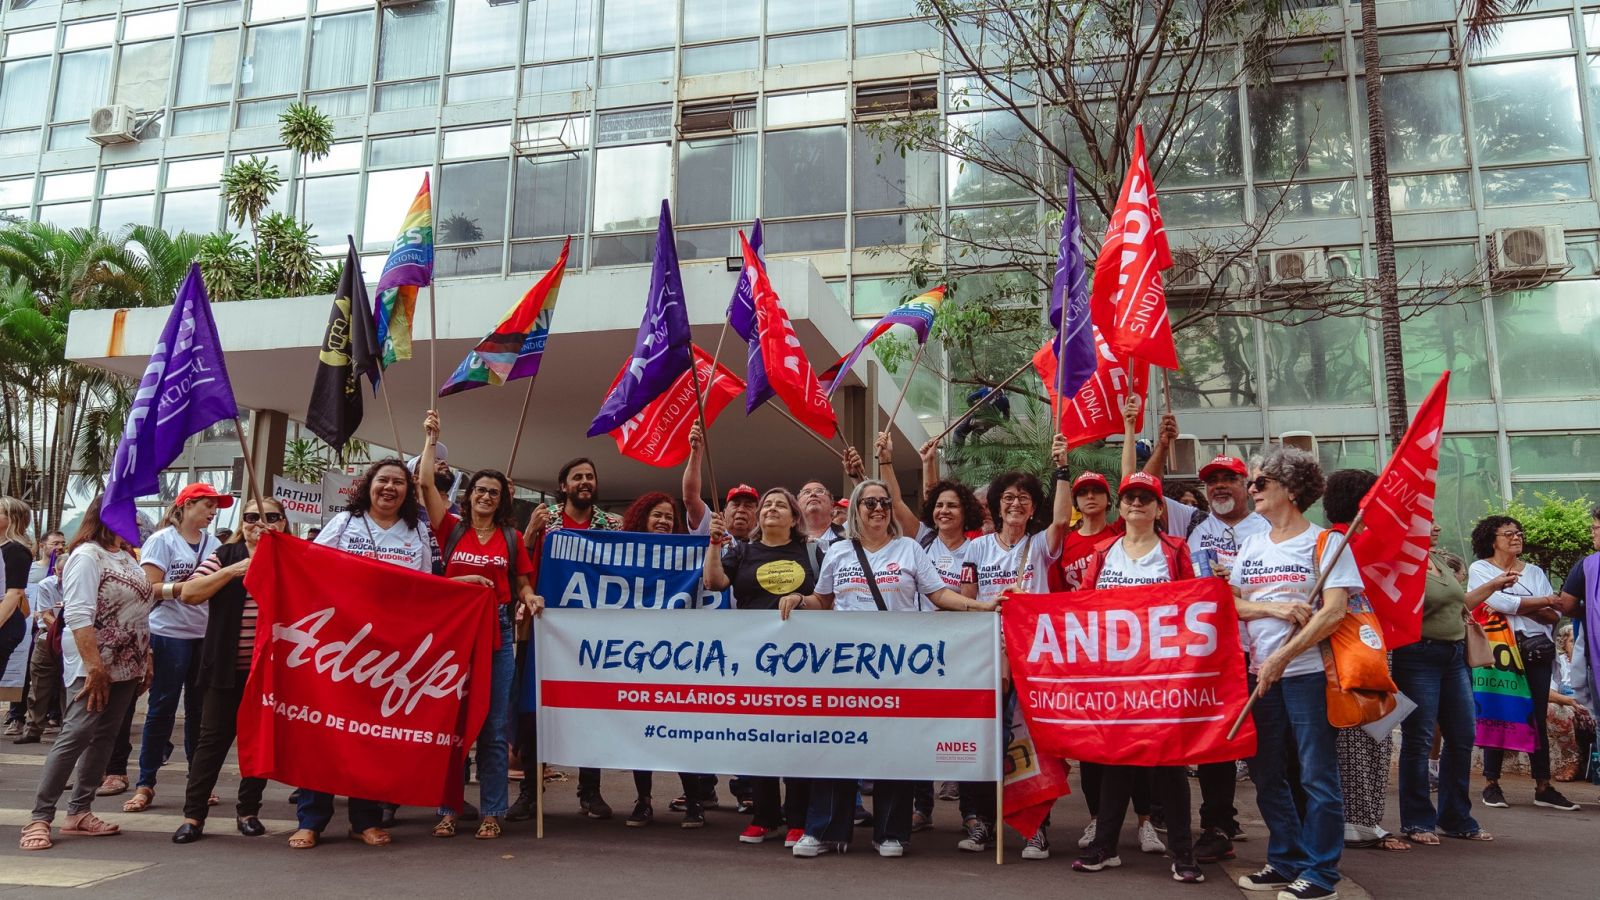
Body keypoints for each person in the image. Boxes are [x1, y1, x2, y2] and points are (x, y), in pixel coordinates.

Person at [779, 478, 988, 859]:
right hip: (844, 668)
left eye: (885, 503)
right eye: (870, 503)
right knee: (836, 746)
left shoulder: (909, 549)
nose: (878, 509)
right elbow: (823, 600)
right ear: (856, 510)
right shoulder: (839, 551)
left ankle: (891, 832)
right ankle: (824, 830)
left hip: (897, 668)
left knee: (895, 747)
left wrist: (982, 608)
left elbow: (939, 594)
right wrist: (799, 599)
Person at [1231, 448, 1359, 900]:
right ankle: (1285, 858)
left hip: (1308, 674)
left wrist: (1283, 657)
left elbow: (1335, 612)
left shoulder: (1326, 542)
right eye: (1252, 482)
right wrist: (1274, 608)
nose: (1252, 489)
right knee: (1266, 773)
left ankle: (1321, 874)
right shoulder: (1252, 543)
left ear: (1290, 488)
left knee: (1316, 776)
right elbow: (1232, 602)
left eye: (1261, 482)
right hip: (1259, 674)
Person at [1070, 471, 1203, 883]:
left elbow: (1195, 603)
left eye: (1146, 498)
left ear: (1159, 508)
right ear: (1121, 507)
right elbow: (1084, 606)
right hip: (1117, 678)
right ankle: (1104, 846)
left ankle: (1183, 852)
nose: (1137, 504)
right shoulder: (1104, 551)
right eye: (1130, 498)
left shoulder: (1176, 550)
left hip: (1165, 677)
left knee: (1169, 764)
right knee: (1117, 761)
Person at [294, 458, 434, 848]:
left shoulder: (417, 531)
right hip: (337, 645)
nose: (390, 488)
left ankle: (364, 820)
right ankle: (311, 819)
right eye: (382, 480)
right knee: (325, 731)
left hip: (386, 653)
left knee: (372, 736)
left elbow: (426, 589)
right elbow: (310, 567)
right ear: (368, 485)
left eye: (398, 483)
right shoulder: (344, 523)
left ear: (408, 492)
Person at [419, 411, 541, 841]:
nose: (486, 496)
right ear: (468, 496)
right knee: (453, 725)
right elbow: (425, 484)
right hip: (454, 637)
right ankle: (448, 810)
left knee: (492, 727)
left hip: (498, 634)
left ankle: (492, 811)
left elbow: (522, 583)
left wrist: (530, 597)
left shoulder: (510, 537)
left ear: (501, 500)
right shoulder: (450, 528)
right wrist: (431, 439)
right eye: (480, 490)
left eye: (494, 492)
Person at [956, 434, 1073, 859]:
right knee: (984, 740)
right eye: (1008, 497)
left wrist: (1062, 470)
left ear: (1034, 507)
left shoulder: (1040, 545)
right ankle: (982, 822)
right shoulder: (975, 548)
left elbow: (1062, 520)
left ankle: (1036, 827)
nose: (1016, 504)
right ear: (995, 505)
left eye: (1024, 498)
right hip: (987, 657)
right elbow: (966, 601)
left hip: (1033, 659)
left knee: (1031, 742)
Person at [18, 496, 154, 851]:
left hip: (128, 663)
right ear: (109, 517)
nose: (138, 522)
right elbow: (78, 615)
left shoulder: (126, 557)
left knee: (105, 736)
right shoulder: (87, 556)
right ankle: (40, 816)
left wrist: (146, 657)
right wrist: (94, 667)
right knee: (76, 734)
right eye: (131, 515)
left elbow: (141, 611)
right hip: (95, 664)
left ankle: (79, 810)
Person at [704, 487, 820, 846]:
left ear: (794, 517)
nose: (771, 509)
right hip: (753, 660)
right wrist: (714, 544)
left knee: (797, 739)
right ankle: (765, 817)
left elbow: (826, 599)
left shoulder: (813, 552)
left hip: (801, 661)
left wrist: (801, 599)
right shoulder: (742, 552)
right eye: (767, 504)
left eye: (780, 505)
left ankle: (798, 819)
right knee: (760, 737)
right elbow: (713, 583)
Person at [169, 498, 288, 844]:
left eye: (270, 517)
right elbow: (189, 593)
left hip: (269, 672)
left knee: (259, 741)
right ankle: (193, 816)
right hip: (224, 666)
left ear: (282, 522)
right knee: (211, 741)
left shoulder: (291, 557)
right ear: (242, 521)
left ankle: (248, 811)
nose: (259, 522)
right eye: (251, 516)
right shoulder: (225, 554)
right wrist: (234, 570)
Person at [1390, 512, 1511, 845]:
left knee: (1462, 736)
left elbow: (1458, 606)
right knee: (1419, 739)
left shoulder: (1438, 562)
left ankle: (1456, 818)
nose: (1437, 526)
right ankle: (1417, 821)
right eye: (1428, 521)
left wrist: (1492, 586)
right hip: (1418, 656)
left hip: (1454, 656)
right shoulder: (1401, 565)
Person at [517, 457, 621, 821]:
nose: (585, 482)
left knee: (592, 709)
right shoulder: (545, 520)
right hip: (544, 628)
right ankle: (530, 791)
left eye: (590, 476)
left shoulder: (612, 525)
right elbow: (520, 564)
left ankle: (590, 790)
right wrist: (530, 533)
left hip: (593, 634)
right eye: (577, 477)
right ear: (563, 485)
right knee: (533, 711)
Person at [1182, 451, 1270, 862]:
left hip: (1264, 652)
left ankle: (1291, 835)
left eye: (1228, 478)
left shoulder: (1268, 527)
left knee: (1269, 747)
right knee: (1216, 745)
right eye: (1212, 480)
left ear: (1246, 487)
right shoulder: (1197, 530)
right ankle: (1217, 825)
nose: (1219, 486)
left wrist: (1233, 582)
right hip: (1215, 655)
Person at [124, 483, 231, 814]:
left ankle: (198, 781)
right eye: (207, 505)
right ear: (185, 505)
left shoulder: (215, 544)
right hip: (169, 634)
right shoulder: (163, 540)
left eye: (215, 507)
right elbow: (149, 588)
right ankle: (145, 782)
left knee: (200, 712)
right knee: (162, 708)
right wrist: (185, 589)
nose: (212, 512)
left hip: (204, 635)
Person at [1317, 470, 1407, 853]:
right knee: (1360, 733)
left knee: (1374, 731)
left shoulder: (1351, 540)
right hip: (1354, 649)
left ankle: (1366, 820)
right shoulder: (1341, 542)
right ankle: (1357, 822)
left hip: (1370, 646)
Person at [1469, 515, 1578, 811]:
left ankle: (1543, 786)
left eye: (1518, 533)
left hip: (1535, 651)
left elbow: (1554, 616)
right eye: (1508, 534)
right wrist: (1543, 600)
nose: (1516, 537)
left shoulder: (1534, 572)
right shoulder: (1480, 569)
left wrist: (1520, 604)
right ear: (1492, 540)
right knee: (1497, 711)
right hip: (1498, 652)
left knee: (1536, 715)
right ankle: (1491, 783)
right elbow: (1500, 604)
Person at [16, 531, 67, 743]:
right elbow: (45, 614)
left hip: (71, 640)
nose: (64, 577)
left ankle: (69, 733)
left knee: (68, 687)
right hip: (48, 638)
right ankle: (33, 729)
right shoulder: (47, 584)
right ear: (55, 571)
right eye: (61, 573)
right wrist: (62, 630)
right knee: (38, 686)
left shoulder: (81, 584)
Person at [1549, 623, 1596, 782]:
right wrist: (1571, 701)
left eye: (1580, 641)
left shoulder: (1593, 661)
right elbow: (1548, 693)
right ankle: (1572, 762)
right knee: (1552, 709)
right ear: (1563, 644)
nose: (1576, 645)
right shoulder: (1560, 663)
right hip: (1572, 710)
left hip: (1593, 710)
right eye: (1572, 641)